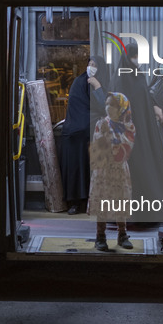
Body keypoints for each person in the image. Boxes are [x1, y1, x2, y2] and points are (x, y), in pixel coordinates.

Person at [110, 43, 163, 216]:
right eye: (135, 56)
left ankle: (148, 213)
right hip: (126, 134)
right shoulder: (120, 79)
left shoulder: (140, 76)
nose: (138, 60)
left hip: (144, 131)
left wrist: (156, 110)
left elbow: (144, 100)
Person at [60, 56, 109, 215]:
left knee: (77, 169)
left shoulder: (79, 81)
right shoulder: (87, 82)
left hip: (74, 133)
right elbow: (104, 108)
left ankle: (76, 204)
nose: (91, 67)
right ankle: (83, 202)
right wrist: (98, 87)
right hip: (83, 133)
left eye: (95, 65)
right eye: (90, 64)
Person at [88, 92, 136, 251]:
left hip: (119, 170)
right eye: (107, 104)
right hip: (103, 170)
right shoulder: (100, 123)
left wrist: (110, 141)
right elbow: (98, 145)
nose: (109, 108)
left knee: (120, 201)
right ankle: (100, 236)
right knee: (102, 201)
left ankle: (122, 235)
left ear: (122, 107)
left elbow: (126, 146)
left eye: (113, 105)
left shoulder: (128, 126)